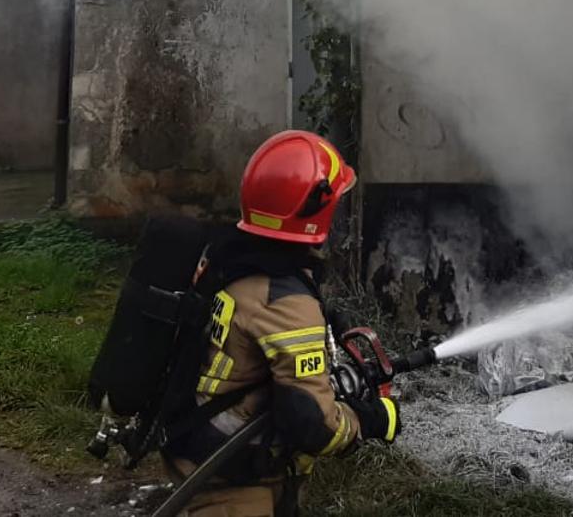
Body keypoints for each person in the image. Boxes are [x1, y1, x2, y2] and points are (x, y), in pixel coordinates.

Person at [163, 130, 401, 517]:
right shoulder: (286, 302)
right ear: (315, 212)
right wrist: (370, 420)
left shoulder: (230, 257)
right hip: (231, 478)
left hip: (195, 437)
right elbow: (314, 426)